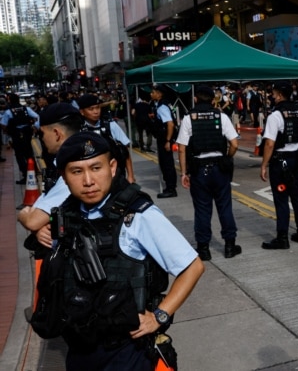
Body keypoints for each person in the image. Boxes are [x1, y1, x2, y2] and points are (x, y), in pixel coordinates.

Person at [28, 132, 204, 370]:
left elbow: (192, 266)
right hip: (79, 348)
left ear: (112, 168)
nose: (88, 180)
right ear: (64, 177)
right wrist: (42, 233)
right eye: (77, 171)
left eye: (96, 168)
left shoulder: (138, 215)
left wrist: (159, 316)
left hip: (126, 351)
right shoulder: (65, 214)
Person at [176, 86, 242, 261]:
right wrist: (227, 158)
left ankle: (203, 249)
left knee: (202, 209)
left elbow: (182, 149)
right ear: (213, 100)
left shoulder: (188, 119)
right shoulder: (222, 117)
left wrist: (184, 173)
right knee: (225, 207)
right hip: (220, 168)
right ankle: (229, 245)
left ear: (195, 99)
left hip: (199, 169)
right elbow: (234, 144)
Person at [17, 103, 83, 247]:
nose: (41, 139)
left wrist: (22, 215)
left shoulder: (74, 170)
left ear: (57, 133)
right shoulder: (83, 156)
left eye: (41, 134)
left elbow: (32, 221)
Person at [259, 81, 298, 250]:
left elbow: (269, 144)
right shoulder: (297, 111)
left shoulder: (276, 115)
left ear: (280, 95)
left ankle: (282, 237)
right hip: (296, 157)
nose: (272, 97)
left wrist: (264, 165)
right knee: (297, 195)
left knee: (281, 199)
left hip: (280, 161)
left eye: (274, 94)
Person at [78, 94, 136, 183]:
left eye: (97, 108)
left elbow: (125, 151)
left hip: (116, 175)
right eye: (91, 109)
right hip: (93, 178)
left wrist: (131, 176)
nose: (96, 111)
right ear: (82, 112)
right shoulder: (79, 130)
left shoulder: (110, 125)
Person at [1, 93, 39, 182]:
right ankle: (34, 171)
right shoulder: (26, 108)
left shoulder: (8, 112)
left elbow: (3, 124)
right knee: (29, 153)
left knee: (19, 155)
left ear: (9, 100)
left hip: (16, 135)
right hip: (27, 133)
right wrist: (35, 126)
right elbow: (37, 116)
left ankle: (26, 175)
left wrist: (8, 132)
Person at [150, 85, 178, 198]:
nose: (151, 94)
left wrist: (167, 141)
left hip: (164, 139)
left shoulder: (162, 107)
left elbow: (170, 124)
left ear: (159, 94)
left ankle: (171, 188)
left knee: (167, 164)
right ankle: (169, 187)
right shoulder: (163, 104)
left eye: (153, 92)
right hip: (164, 138)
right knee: (166, 163)